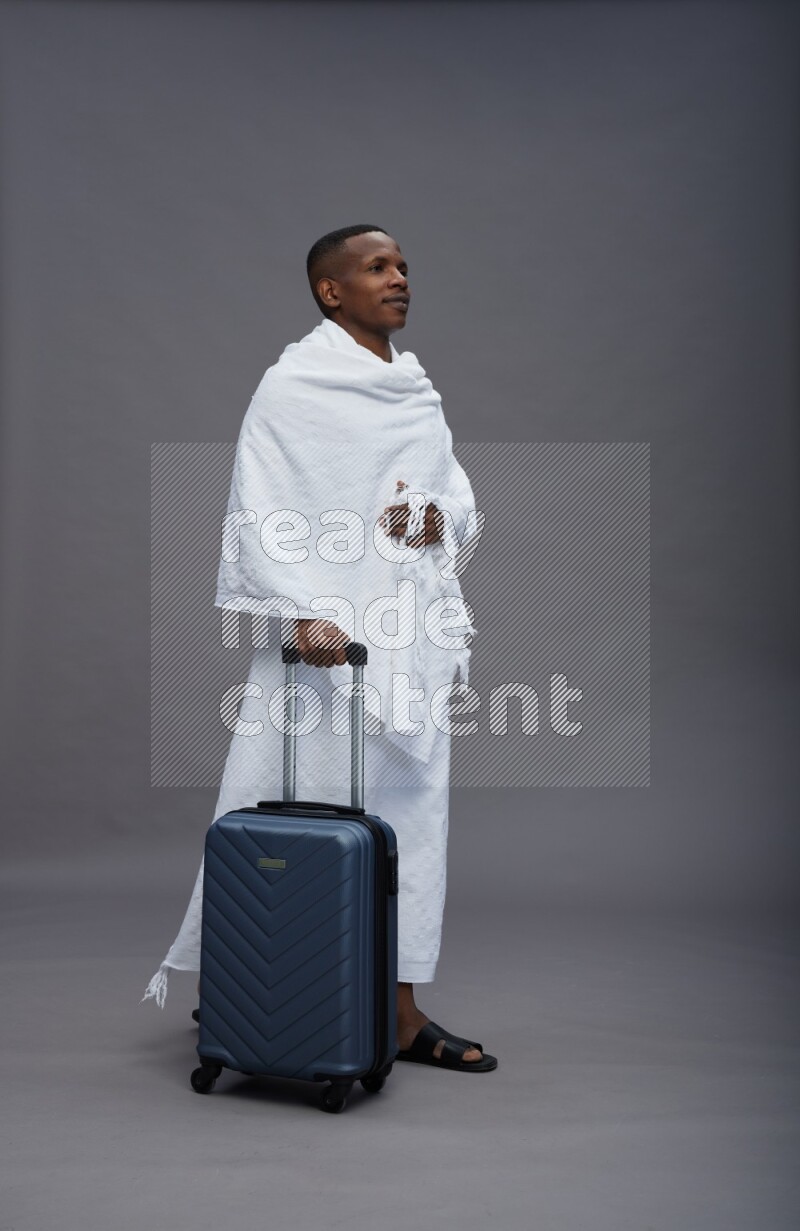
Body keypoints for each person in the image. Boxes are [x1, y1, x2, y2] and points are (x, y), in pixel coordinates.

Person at [142, 224, 496, 1073]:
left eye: (405, 266)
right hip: (320, 645)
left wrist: (438, 520)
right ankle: (243, 986)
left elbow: (454, 499)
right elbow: (259, 501)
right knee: (284, 802)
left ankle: (402, 1014)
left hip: (403, 641)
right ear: (330, 290)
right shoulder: (292, 384)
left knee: (408, 821)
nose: (400, 278)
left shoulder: (413, 387)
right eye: (378, 267)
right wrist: (298, 610)